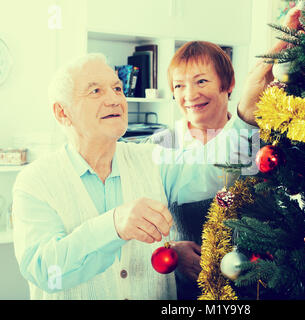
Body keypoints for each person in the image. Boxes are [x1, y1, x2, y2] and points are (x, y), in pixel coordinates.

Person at [11, 51, 271, 300]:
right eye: (95, 91)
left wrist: (246, 112)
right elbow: (44, 269)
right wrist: (114, 225)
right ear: (62, 112)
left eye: (117, 88)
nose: (114, 99)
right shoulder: (35, 180)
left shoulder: (151, 157)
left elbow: (214, 168)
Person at [142, 41, 274, 299]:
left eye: (201, 81)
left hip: (258, 285)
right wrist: (171, 249)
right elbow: (136, 221)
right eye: (179, 85)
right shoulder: (159, 147)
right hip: (188, 291)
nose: (189, 94)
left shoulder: (260, 141)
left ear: (229, 84)